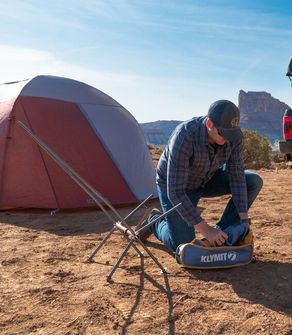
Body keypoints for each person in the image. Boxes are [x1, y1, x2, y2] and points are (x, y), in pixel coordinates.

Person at [145, 100, 263, 253]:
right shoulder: (185, 136)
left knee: (253, 181)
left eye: (231, 134)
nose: (227, 139)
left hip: (207, 178)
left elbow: (237, 177)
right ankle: (155, 221)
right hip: (175, 185)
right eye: (223, 134)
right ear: (209, 124)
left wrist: (244, 220)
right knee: (183, 245)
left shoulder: (234, 137)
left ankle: (222, 233)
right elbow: (175, 191)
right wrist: (206, 229)